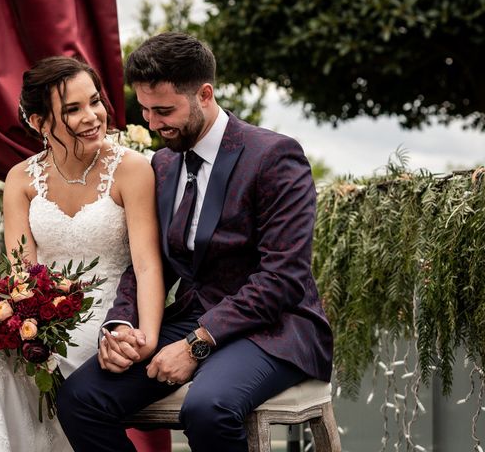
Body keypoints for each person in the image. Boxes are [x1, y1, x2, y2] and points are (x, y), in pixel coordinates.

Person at [56, 32, 335, 452]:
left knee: (208, 408)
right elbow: (148, 262)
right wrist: (120, 327)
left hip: (275, 326)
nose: (152, 123)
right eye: (145, 110)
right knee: (80, 399)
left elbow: (283, 278)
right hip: (191, 318)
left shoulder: (275, 156)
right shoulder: (163, 164)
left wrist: (196, 344)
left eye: (164, 110)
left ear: (204, 94)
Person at [0, 56, 171, 452]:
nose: (93, 116)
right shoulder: (21, 178)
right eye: (73, 109)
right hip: (44, 315)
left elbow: (149, 264)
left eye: (95, 101)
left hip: (103, 316)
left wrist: (146, 338)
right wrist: (21, 320)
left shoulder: (131, 169)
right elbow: (21, 274)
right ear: (39, 123)